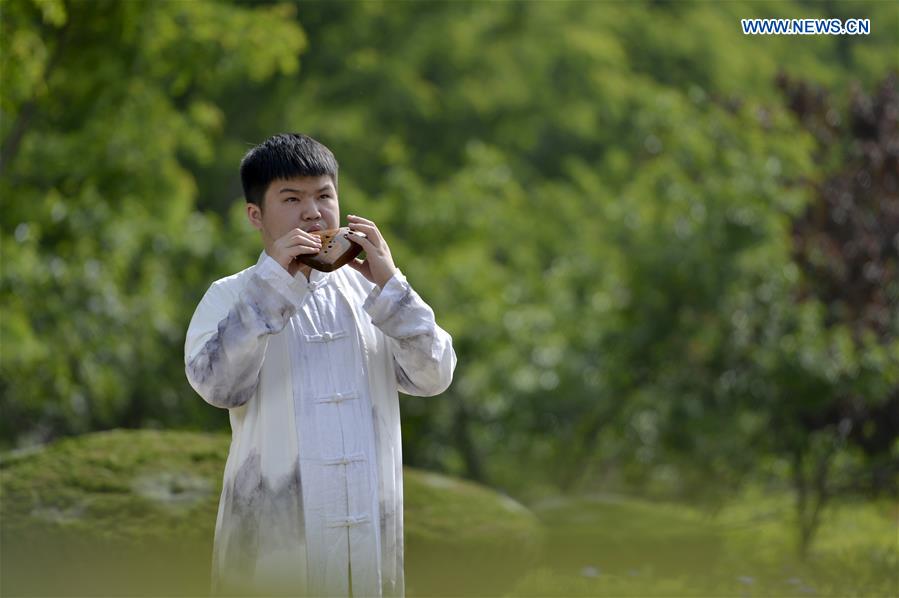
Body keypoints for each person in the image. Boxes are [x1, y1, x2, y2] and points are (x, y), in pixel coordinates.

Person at [184, 133, 456, 597]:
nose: (312, 212)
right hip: (272, 556)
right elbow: (217, 386)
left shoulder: (374, 292)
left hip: (368, 553)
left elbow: (435, 375)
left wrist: (392, 285)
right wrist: (273, 285)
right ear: (256, 215)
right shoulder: (230, 295)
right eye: (291, 198)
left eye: (324, 195)